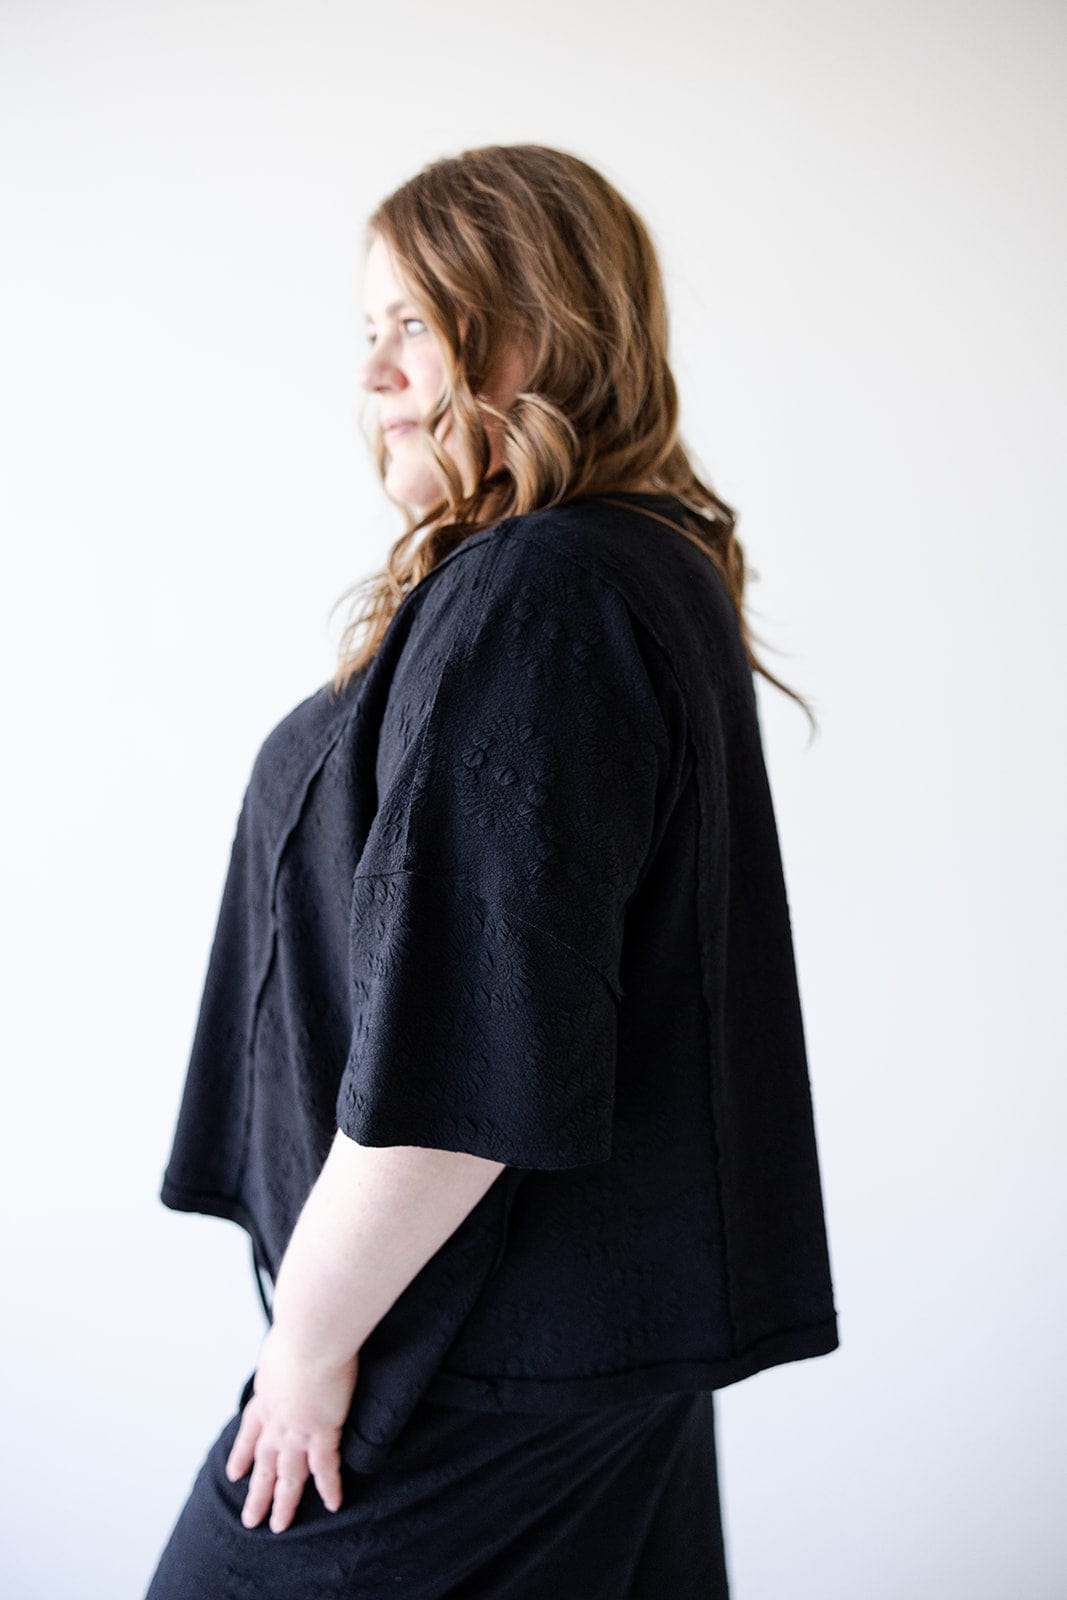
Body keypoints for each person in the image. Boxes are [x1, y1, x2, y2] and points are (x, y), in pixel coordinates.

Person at [143, 143, 840, 1600]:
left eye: (418, 321)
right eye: (370, 331)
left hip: (469, 1355)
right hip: (574, 1352)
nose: (376, 375)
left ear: (542, 328)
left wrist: (309, 1351)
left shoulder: (550, 590)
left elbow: (464, 1076)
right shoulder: (620, 573)